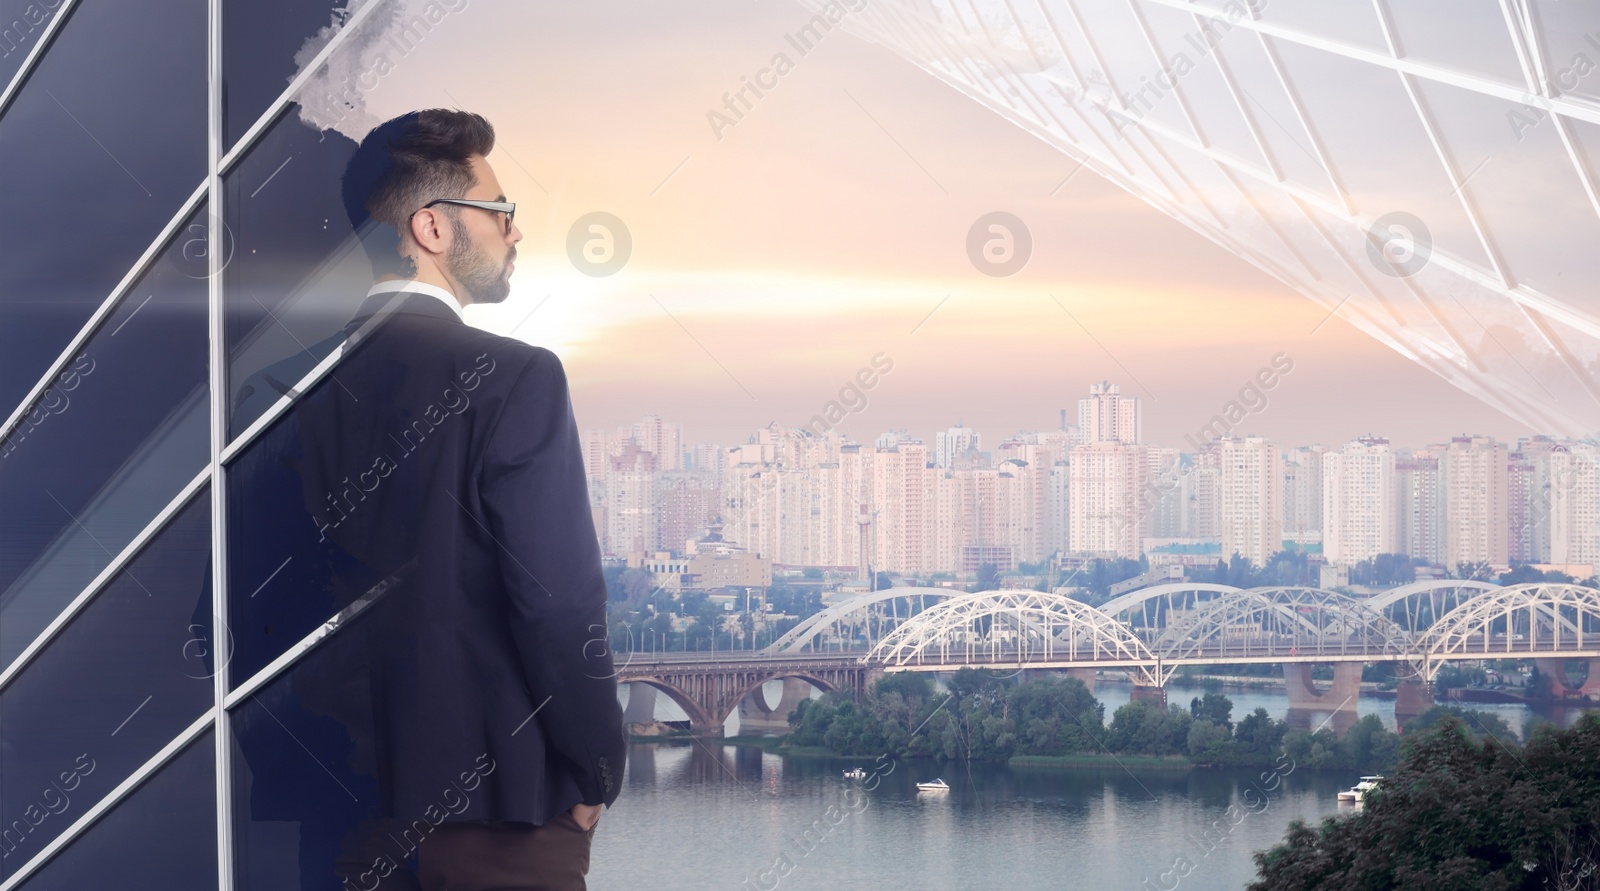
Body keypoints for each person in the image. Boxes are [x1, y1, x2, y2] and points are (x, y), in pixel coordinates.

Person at [254, 108, 625, 891]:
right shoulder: (516, 379)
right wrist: (595, 776)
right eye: (500, 212)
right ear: (430, 227)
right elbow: (559, 607)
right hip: (500, 820)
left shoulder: (275, 396)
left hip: (338, 817)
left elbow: (240, 617)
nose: (515, 232)